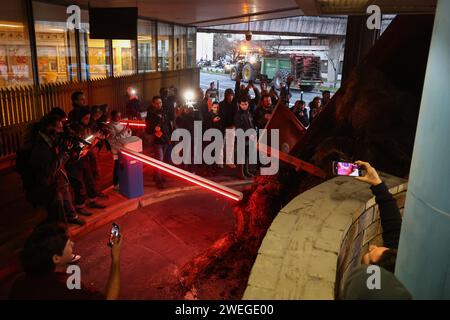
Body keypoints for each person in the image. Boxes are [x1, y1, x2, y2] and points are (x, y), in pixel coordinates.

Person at [9, 223, 121, 300]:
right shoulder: (66, 289)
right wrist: (115, 258)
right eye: (68, 244)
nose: (73, 244)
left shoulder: (20, 282)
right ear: (56, 258)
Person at [27, 115, 85, 226]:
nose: (62, 131)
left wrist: (72, 153)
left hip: (60, 178)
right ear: (49, 128)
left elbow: (62, 160)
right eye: (59, 128)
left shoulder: (52, 139)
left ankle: (72, 217)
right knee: (57, 208)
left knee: (66, 198)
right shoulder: (40, 147)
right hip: (50, 184)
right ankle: (60, 231)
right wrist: (63, 153)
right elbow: (50, 169)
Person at [355, 161, 401, 273]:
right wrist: (377, 184)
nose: (371, 247)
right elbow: (393, 226)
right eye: (370, 253)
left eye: (369, 256)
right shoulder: (396, 258)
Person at [65, 108, 107, 215]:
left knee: (89, 179)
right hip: (73, 161)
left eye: (89, 118)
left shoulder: (86, 127)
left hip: (83, 157)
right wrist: (93, 138)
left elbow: (88, 144)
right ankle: (80, 206)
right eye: (86, 118)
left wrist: (98, 138)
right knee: (78, 183)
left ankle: (93, 201)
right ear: (80, 117)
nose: (88, 120)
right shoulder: (72, 128)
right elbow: (77, 145)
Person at [145, 96, 172, 189]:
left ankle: (157, 176)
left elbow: (168, 125)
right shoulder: (150, 114)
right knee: (159, 160)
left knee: (161, 159)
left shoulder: (164, 112)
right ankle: (158, 180)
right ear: (153, 104)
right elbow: (148, 129)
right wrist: (154, 129)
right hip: (157, 141)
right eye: (157, 103)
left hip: (165, 138)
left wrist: (169, 137)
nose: (159, 104)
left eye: (160, 102)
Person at [107, 110, 132, 190]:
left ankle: (122, 181)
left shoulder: (121, 124)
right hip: (116, 149)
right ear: (112, 116)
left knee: (124, 166)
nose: (119, 118)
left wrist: (128, 131)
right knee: (117, 166)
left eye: (120, 116)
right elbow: (112, 139)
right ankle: (116, 183)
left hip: (124, 147)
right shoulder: (110, 126)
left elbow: (126, 136)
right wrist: (124, 132)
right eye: (117, 116)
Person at [234, 97, 257, 178]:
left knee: (246, 155)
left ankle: (246, 171)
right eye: (242, 104)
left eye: (246, 104)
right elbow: (239, 127)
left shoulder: (248, 113)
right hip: (242, 137)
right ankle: (241, 173)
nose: (244, 106)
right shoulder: (238, 115)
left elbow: (251, 125)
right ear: (239, 105)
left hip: (249, 138)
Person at [219, 88, 238, 169]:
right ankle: (220, 162)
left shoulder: (235, 105)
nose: (230, 97)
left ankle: (229, 161)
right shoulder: (221, 104)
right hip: (223, 127)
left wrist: (234, 125)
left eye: (231, 95)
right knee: (220, 145)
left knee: (230, 145)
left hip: (232, 127)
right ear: (225, 96)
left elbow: (237, 116)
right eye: (229, 95)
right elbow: (220, 116)